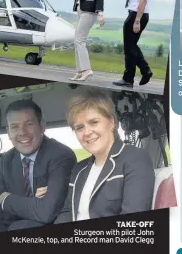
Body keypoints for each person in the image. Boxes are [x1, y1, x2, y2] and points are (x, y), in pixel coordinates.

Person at [55, 88, 154, 222]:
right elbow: (67, 213)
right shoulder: (79, 169)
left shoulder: (135, 158)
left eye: (93, 122)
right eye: (79, 127)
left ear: (111, 122)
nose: (87, 132)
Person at [0, 99, 76, 233]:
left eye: (29, 124)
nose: (22, 132)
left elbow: (47, 213)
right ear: (8, 132)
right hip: (10, 226)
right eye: (14, 127)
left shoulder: (61, 155)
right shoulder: (6, 159)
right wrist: (32, 205)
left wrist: (6, 199)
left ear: (42, 126)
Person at [113, 0, 153, 88]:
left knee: (130, 47)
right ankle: (140, 73)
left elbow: (143, 0)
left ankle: (134, 75)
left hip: (137, 15)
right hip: (135, 14)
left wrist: (137, 20)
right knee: (131, 47)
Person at [64, 0, 105, 82]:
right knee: (77, 41)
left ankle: (87, 70)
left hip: (89, 12)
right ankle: (80, 71)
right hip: (80, 11)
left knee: (80, 40)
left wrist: (100, 13)